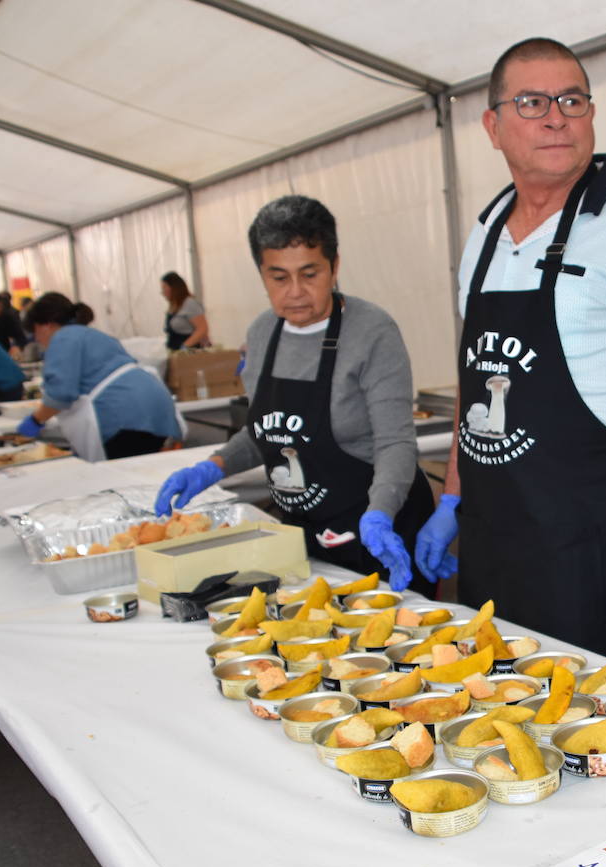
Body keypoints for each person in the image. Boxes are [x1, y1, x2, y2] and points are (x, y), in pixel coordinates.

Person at [412, 38, 606, 659]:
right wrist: (451, 499)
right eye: (531, 102)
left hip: (594, 547)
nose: (556, 116)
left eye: (572, 99)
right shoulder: (486, 229)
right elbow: (478, 380)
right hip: (493, 539)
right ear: (492, 126)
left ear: (592, 114)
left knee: (594, 731)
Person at [154, 196, 433, 591]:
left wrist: (380, 515)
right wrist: (213, 466)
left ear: (334, 267)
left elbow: (396, 443)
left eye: (310, 273)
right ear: (262, 274)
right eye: (279, 277)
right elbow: (267, 431)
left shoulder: (371, 331)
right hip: (303, 530)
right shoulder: (262, 333)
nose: (296, 292)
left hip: (378, 526)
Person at [18, 293, 184, 461]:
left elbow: (60, 394)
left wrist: (35, 421)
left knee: (121, 477)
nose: (37, 339)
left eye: (35, 332)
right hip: (153, 406)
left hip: (124, 416)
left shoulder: (62, 338)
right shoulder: (91, 335)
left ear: (45, 325)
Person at [160, 271, 210, 350]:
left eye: (164, 288)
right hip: (175, 351)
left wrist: (185, 346)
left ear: (174, 287)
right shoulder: (174, 306)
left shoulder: (190, 304)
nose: (163, 292)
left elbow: (203, 329)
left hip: (189, 354)